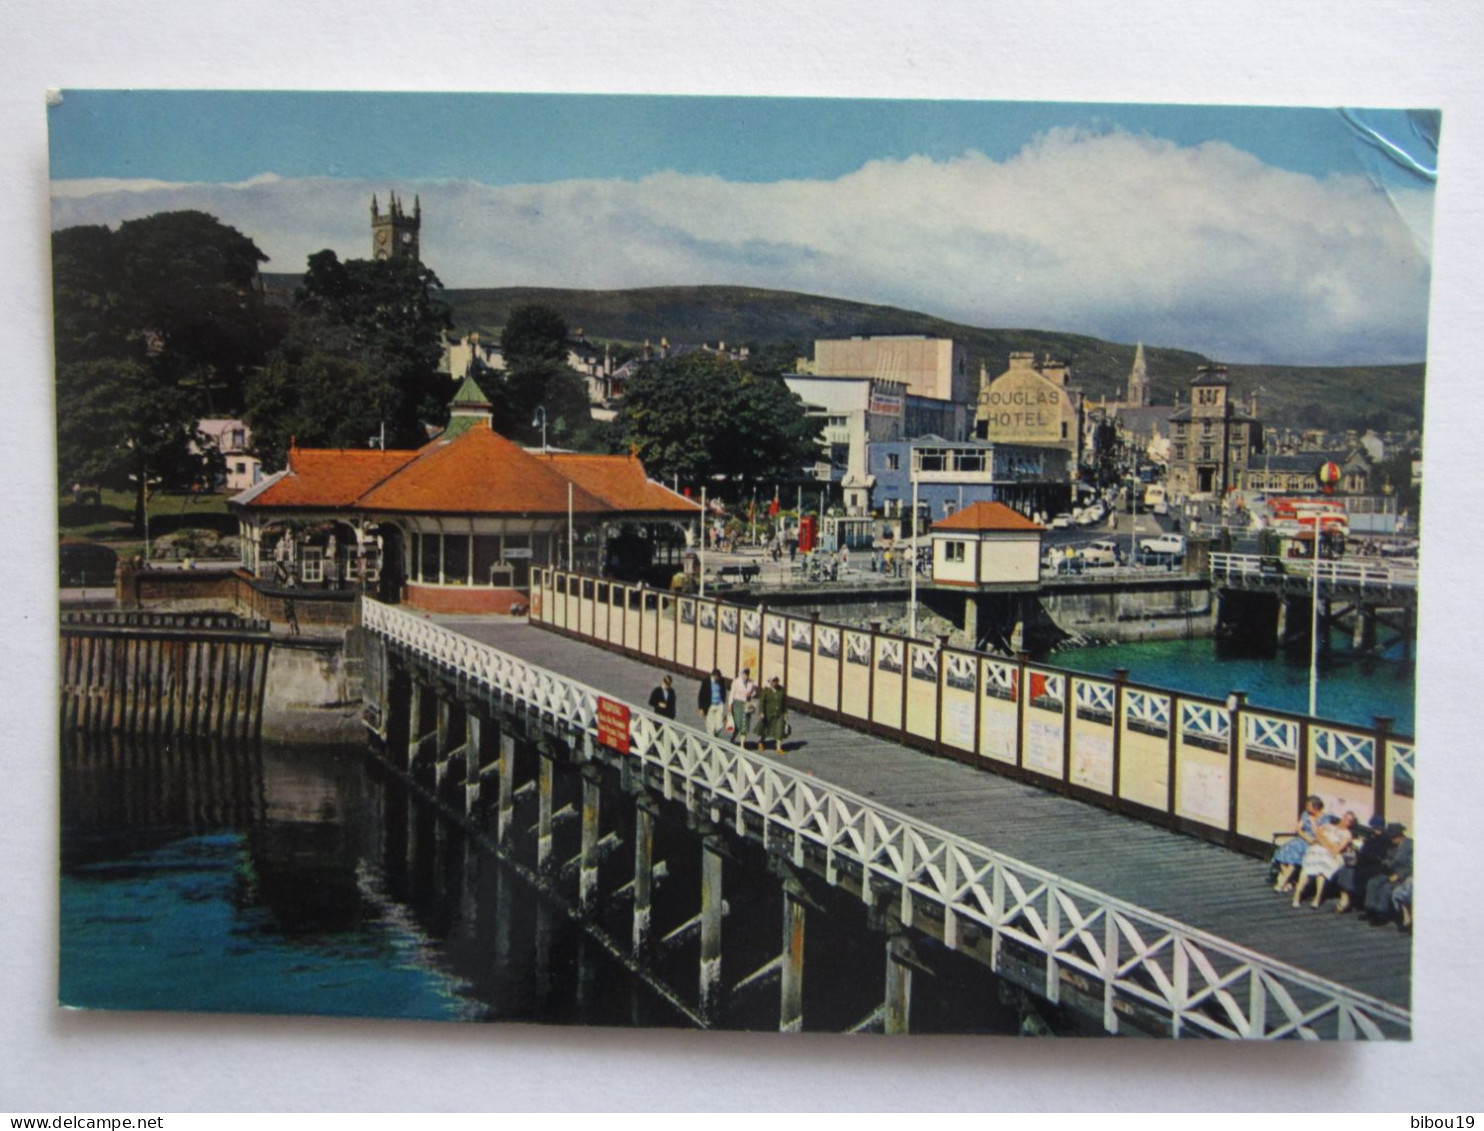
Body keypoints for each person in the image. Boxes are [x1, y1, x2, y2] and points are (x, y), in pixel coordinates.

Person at [1292, 810, 1356, 908]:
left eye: (1349, 821)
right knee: (1307, 869)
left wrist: (1323, 840)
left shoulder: (1347, 834)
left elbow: (1336, 849)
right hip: (1317, 850)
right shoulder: (1328, 826)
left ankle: (1317, 899)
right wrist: (1327, 842)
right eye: (1345, 817)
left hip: (1330, 855)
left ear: (1351, 824)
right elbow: (1317, 835)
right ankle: (1297, 896)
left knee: (1321, 871)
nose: (1345, 821)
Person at [1332, 815, 1388, 914]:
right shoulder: (1370, 837)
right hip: (1364, 863)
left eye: (1379, 828)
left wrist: (1360, 854)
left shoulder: (1384, 840)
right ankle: (1344, 900)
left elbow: (1378, 856)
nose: (1376, 830)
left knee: (1351, 872)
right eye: (1375, 827)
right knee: (1345, 870)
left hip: (1374, 867)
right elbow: (1364, 851)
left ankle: (1348, 902)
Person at [1363, 824, 1414, 928]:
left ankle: (1381, 913)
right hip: (1390, 872)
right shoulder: (1392, 846)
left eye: (1393, 837)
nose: (1391, 840)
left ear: (1400, 836)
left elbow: (1412, 866)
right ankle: (1371, 909)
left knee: (1387, 888)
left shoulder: (1410, 846)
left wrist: (1399, 875)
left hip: (1403, 875)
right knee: (1373, 882)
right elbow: (1390, 860)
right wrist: (1382, 862)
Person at [1272, 795, 1326, 893]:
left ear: (1316, 807)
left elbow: (1320, 835)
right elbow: (1298, 828)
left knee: (1293, 859)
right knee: (1283, 852)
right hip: (1302, 839)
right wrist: (1305, 836)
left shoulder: (1325, 819)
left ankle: (1282, 883)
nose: (1306, 808)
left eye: (1309, 806)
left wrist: (1313, 824)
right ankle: (1288, 881)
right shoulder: (1305, 814)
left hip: (1313, 843)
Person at [758, 676, 788, 755]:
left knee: (779, 729)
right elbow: (762, 702)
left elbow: (784, 702)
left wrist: (785, 712)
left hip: (779, 714)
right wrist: (761, 712)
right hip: (768, 713)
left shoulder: (781, 690)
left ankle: (778, 748)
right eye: (773, 681)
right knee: (765, 729)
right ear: (770, 682)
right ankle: (761, 742)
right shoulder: (766, 690)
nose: (775, 683)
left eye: (776, 681)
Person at [727, 666, 758, 746]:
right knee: (738, 723)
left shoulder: (751, 682)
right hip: (737, 704)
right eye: (744, 674)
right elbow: (732, 694)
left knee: (745, 724)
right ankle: (733, 738)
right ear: (741, 674)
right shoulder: (736, 682)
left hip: (746, 704)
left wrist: (750, 694)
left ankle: (742, 745)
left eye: (747, 674)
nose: (746, 676)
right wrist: (730, 705)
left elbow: (754, 692)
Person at [696, 668, 727, 737]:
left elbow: (723, 691)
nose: (717, 679)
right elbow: (701, 695)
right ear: (713, 676)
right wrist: (701, 708)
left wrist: (723, 700)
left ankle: (715, 735)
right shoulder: (706, 682)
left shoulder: (721, 681)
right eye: (716, 678)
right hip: (710, 705)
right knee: (710, 726)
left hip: (719, 705)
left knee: (719, 725)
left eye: (718, 678)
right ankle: (712, 741)